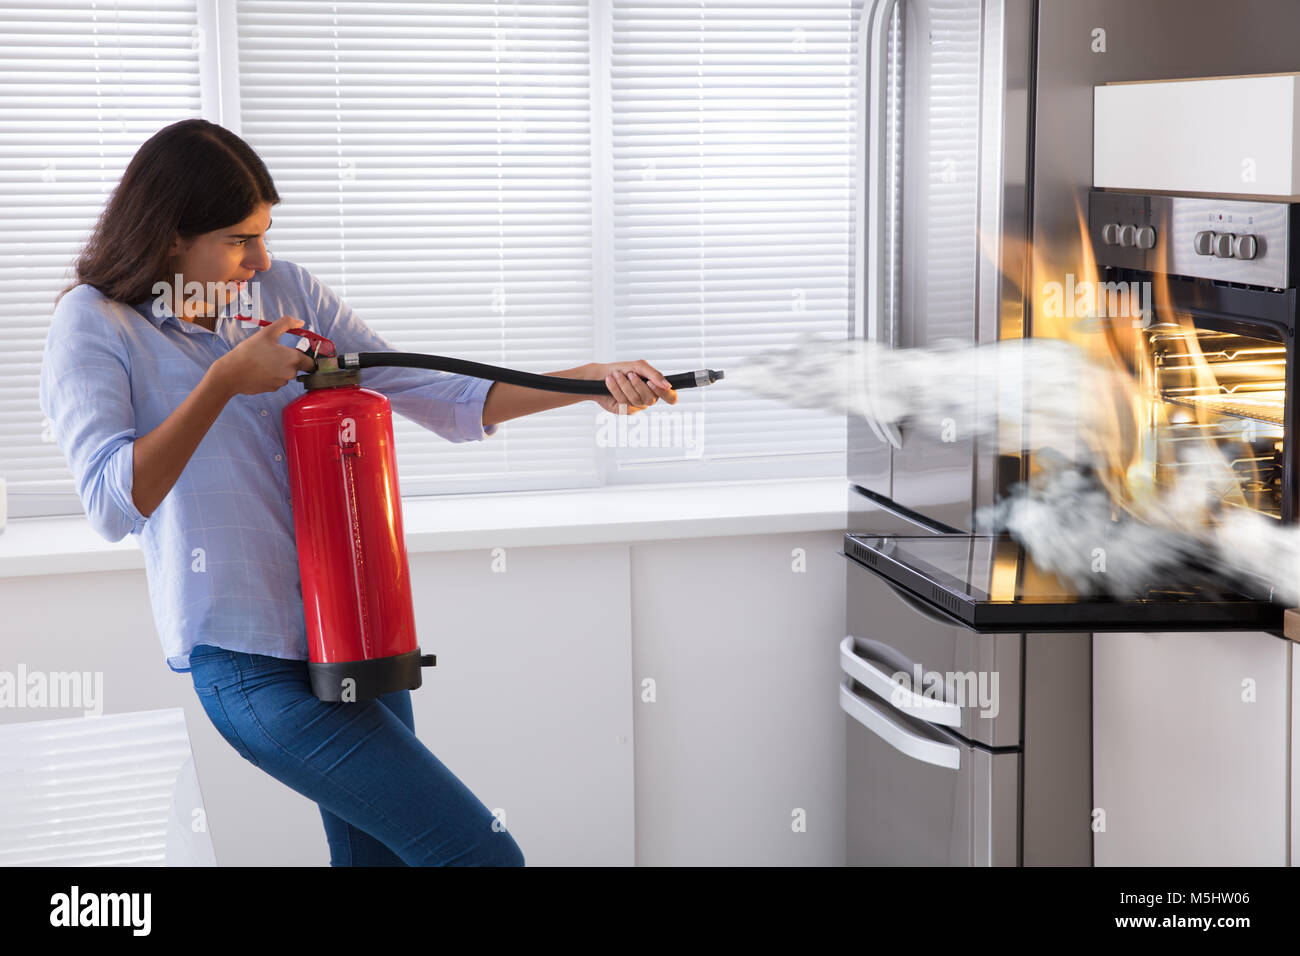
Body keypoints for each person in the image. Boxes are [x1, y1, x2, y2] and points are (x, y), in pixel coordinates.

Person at [39, 118, 677, 866]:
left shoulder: (282, 292)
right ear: (173, 235)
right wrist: (221, 383)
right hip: (247, 665)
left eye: (265, 232)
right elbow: (113, 504)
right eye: (240, 240)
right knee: (480, 854)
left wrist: (586, 383)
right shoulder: (96, 324)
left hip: (355, 638)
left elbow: (433, 392)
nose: (262, 257)